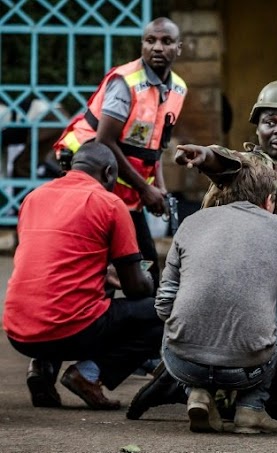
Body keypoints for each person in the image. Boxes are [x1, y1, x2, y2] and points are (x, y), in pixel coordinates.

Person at [127, 80, 277, 422]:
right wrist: (204, 155)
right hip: (244, 285)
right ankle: (189, 384)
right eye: (269, 122)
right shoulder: (251, 165)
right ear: (256, 127)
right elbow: (226, 161)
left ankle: (188, 383)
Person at [2, 142, 162, 410]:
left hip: (19, 332)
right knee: (163, 313)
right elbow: (136, 288)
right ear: (110, 173)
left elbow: (44, 263)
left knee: (74, 297)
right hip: (68, 330)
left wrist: (101, 274)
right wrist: (148, 282)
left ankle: (42, 368)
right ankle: (88, 374)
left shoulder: (34, 197)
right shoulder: (110, 203)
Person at [155, 157, 277, 434]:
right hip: (249, 369)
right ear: (269, 200)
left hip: (182, 363)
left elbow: (164, 304)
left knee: (175, 306)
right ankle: (252, 407)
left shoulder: (191, 222)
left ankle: (197, 394)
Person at [53, 17, 186, 287]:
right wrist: (145, 189)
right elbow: (105, 142)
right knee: (99, 262)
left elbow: (155, 147)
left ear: (179, 48)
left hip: (126, 189)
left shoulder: (178, 89)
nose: (158, 47)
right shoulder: (125, 83)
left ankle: (143, 320)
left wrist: (159, 189)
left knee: (144, 264)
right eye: (151, 41)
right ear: (142, 45)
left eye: (166, 41)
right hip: (92, 179)